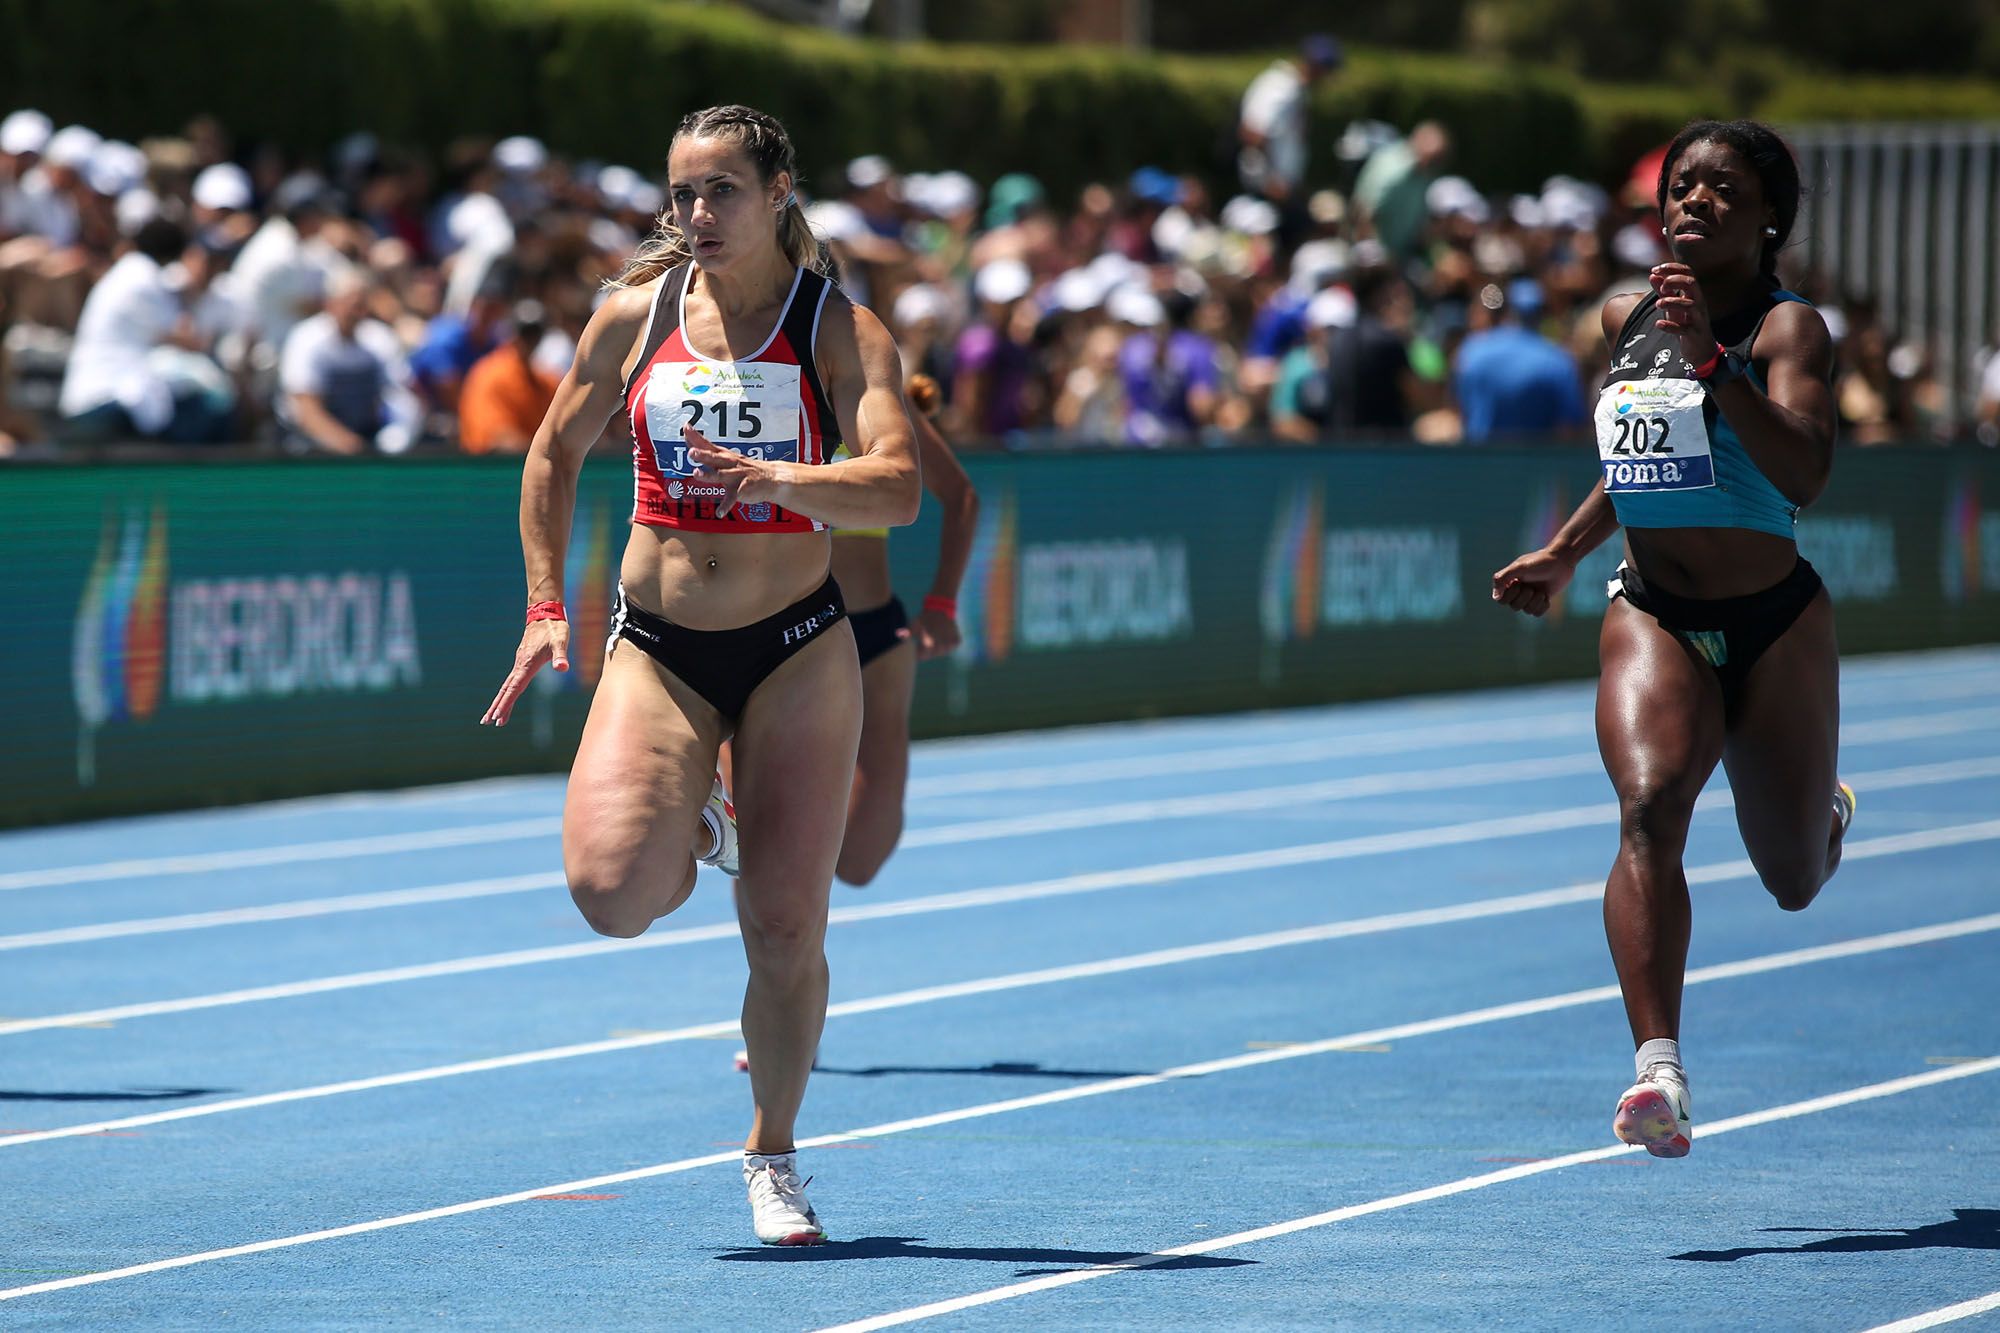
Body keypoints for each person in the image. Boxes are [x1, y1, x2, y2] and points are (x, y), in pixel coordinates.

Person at [480, 104, 920, 1246]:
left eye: (720, 189)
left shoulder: (838, 329)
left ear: (779, 191)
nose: (695, 214)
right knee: (611, 892)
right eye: (680, 193)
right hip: (662, 645)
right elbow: (551, 452)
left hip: (796, 646)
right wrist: (541, 607)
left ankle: (771, 1153)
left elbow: (894, 490)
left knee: (782, 926)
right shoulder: (633, 315)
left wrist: (779, 479)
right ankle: (700, 807)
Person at [1490, 120, 1854, 1160]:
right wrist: (1563, 552)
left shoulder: (1790, 331)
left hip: (1773, 618)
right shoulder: (1619, 316)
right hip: (1651, 607)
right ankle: (1657, 1068)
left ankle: (1820, 813)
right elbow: (1643, 457)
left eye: (1722, 190)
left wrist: (1712, 359)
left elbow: (1803, 474)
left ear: (1766, 217)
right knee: (1648, 806)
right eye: (1681, 185)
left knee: (1789, 876)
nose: (1694, 200)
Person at [1453, 278, 1588, 442]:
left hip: (1480, 460)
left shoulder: (1472, 350)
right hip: (1536, 463)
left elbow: (1459, 409)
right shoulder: (1558, 360)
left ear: (1507, 311)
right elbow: (1572, 425)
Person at [458, 299, 560, 453]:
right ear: (512, 333)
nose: (530, 340)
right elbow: (497, 439)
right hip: (491, 470)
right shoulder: (490, 374)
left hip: (530, 464)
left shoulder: (545, 379)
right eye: (525, 333)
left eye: (535, 333)